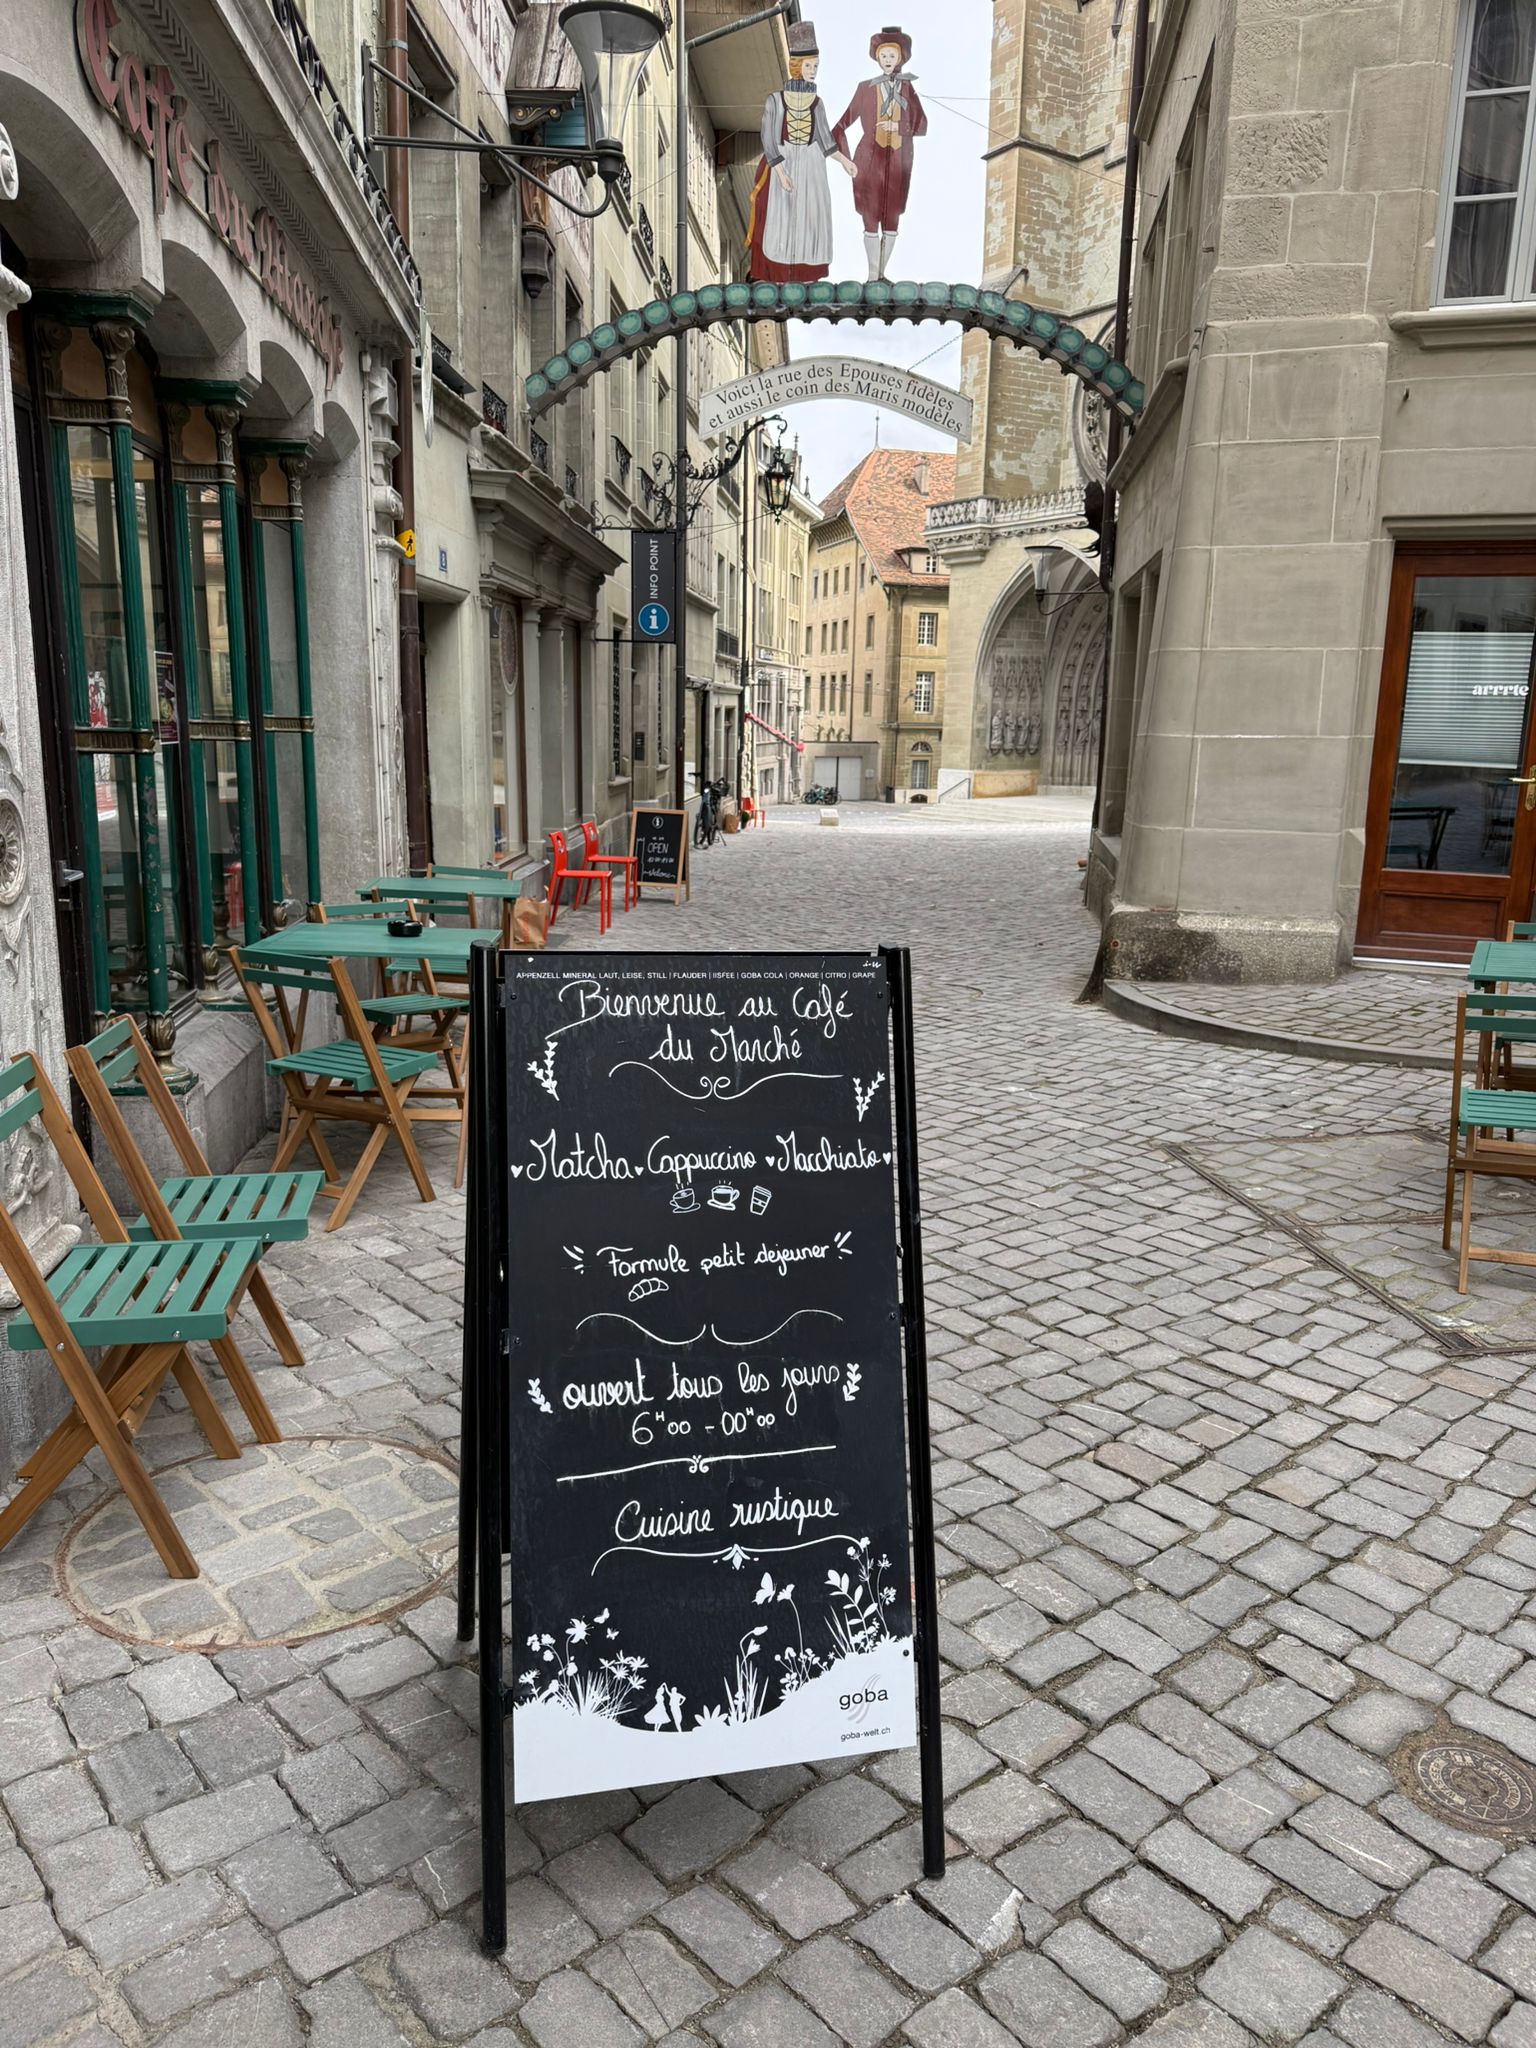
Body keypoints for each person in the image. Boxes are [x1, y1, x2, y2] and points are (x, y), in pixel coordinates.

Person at [746, 21, 855, 284]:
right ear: (796, 66)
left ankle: (805, 276)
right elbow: (769, 138)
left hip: (810, 164)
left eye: (816, 66)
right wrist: (780, 172)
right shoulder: (775, 100)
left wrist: (843, 161)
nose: (813, 71)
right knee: (778, 218)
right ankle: (776, 274)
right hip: (782, 160)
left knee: (810, 219)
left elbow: (825, 139)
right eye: (808, 66)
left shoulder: (817, 103)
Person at [833, 26, 926, 281]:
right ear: (877, 58)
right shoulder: (865, 88)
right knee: (870, 216)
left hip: (898, 161)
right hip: (869, 159)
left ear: (900, 58)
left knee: (893, 219)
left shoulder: (907, 89)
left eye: (891, 56)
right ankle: (873, 275)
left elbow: (922, 125)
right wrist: (845, 160)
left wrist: (898, 126)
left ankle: (880, 273)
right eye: (883, 55)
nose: (887, 60)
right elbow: (839, 127)